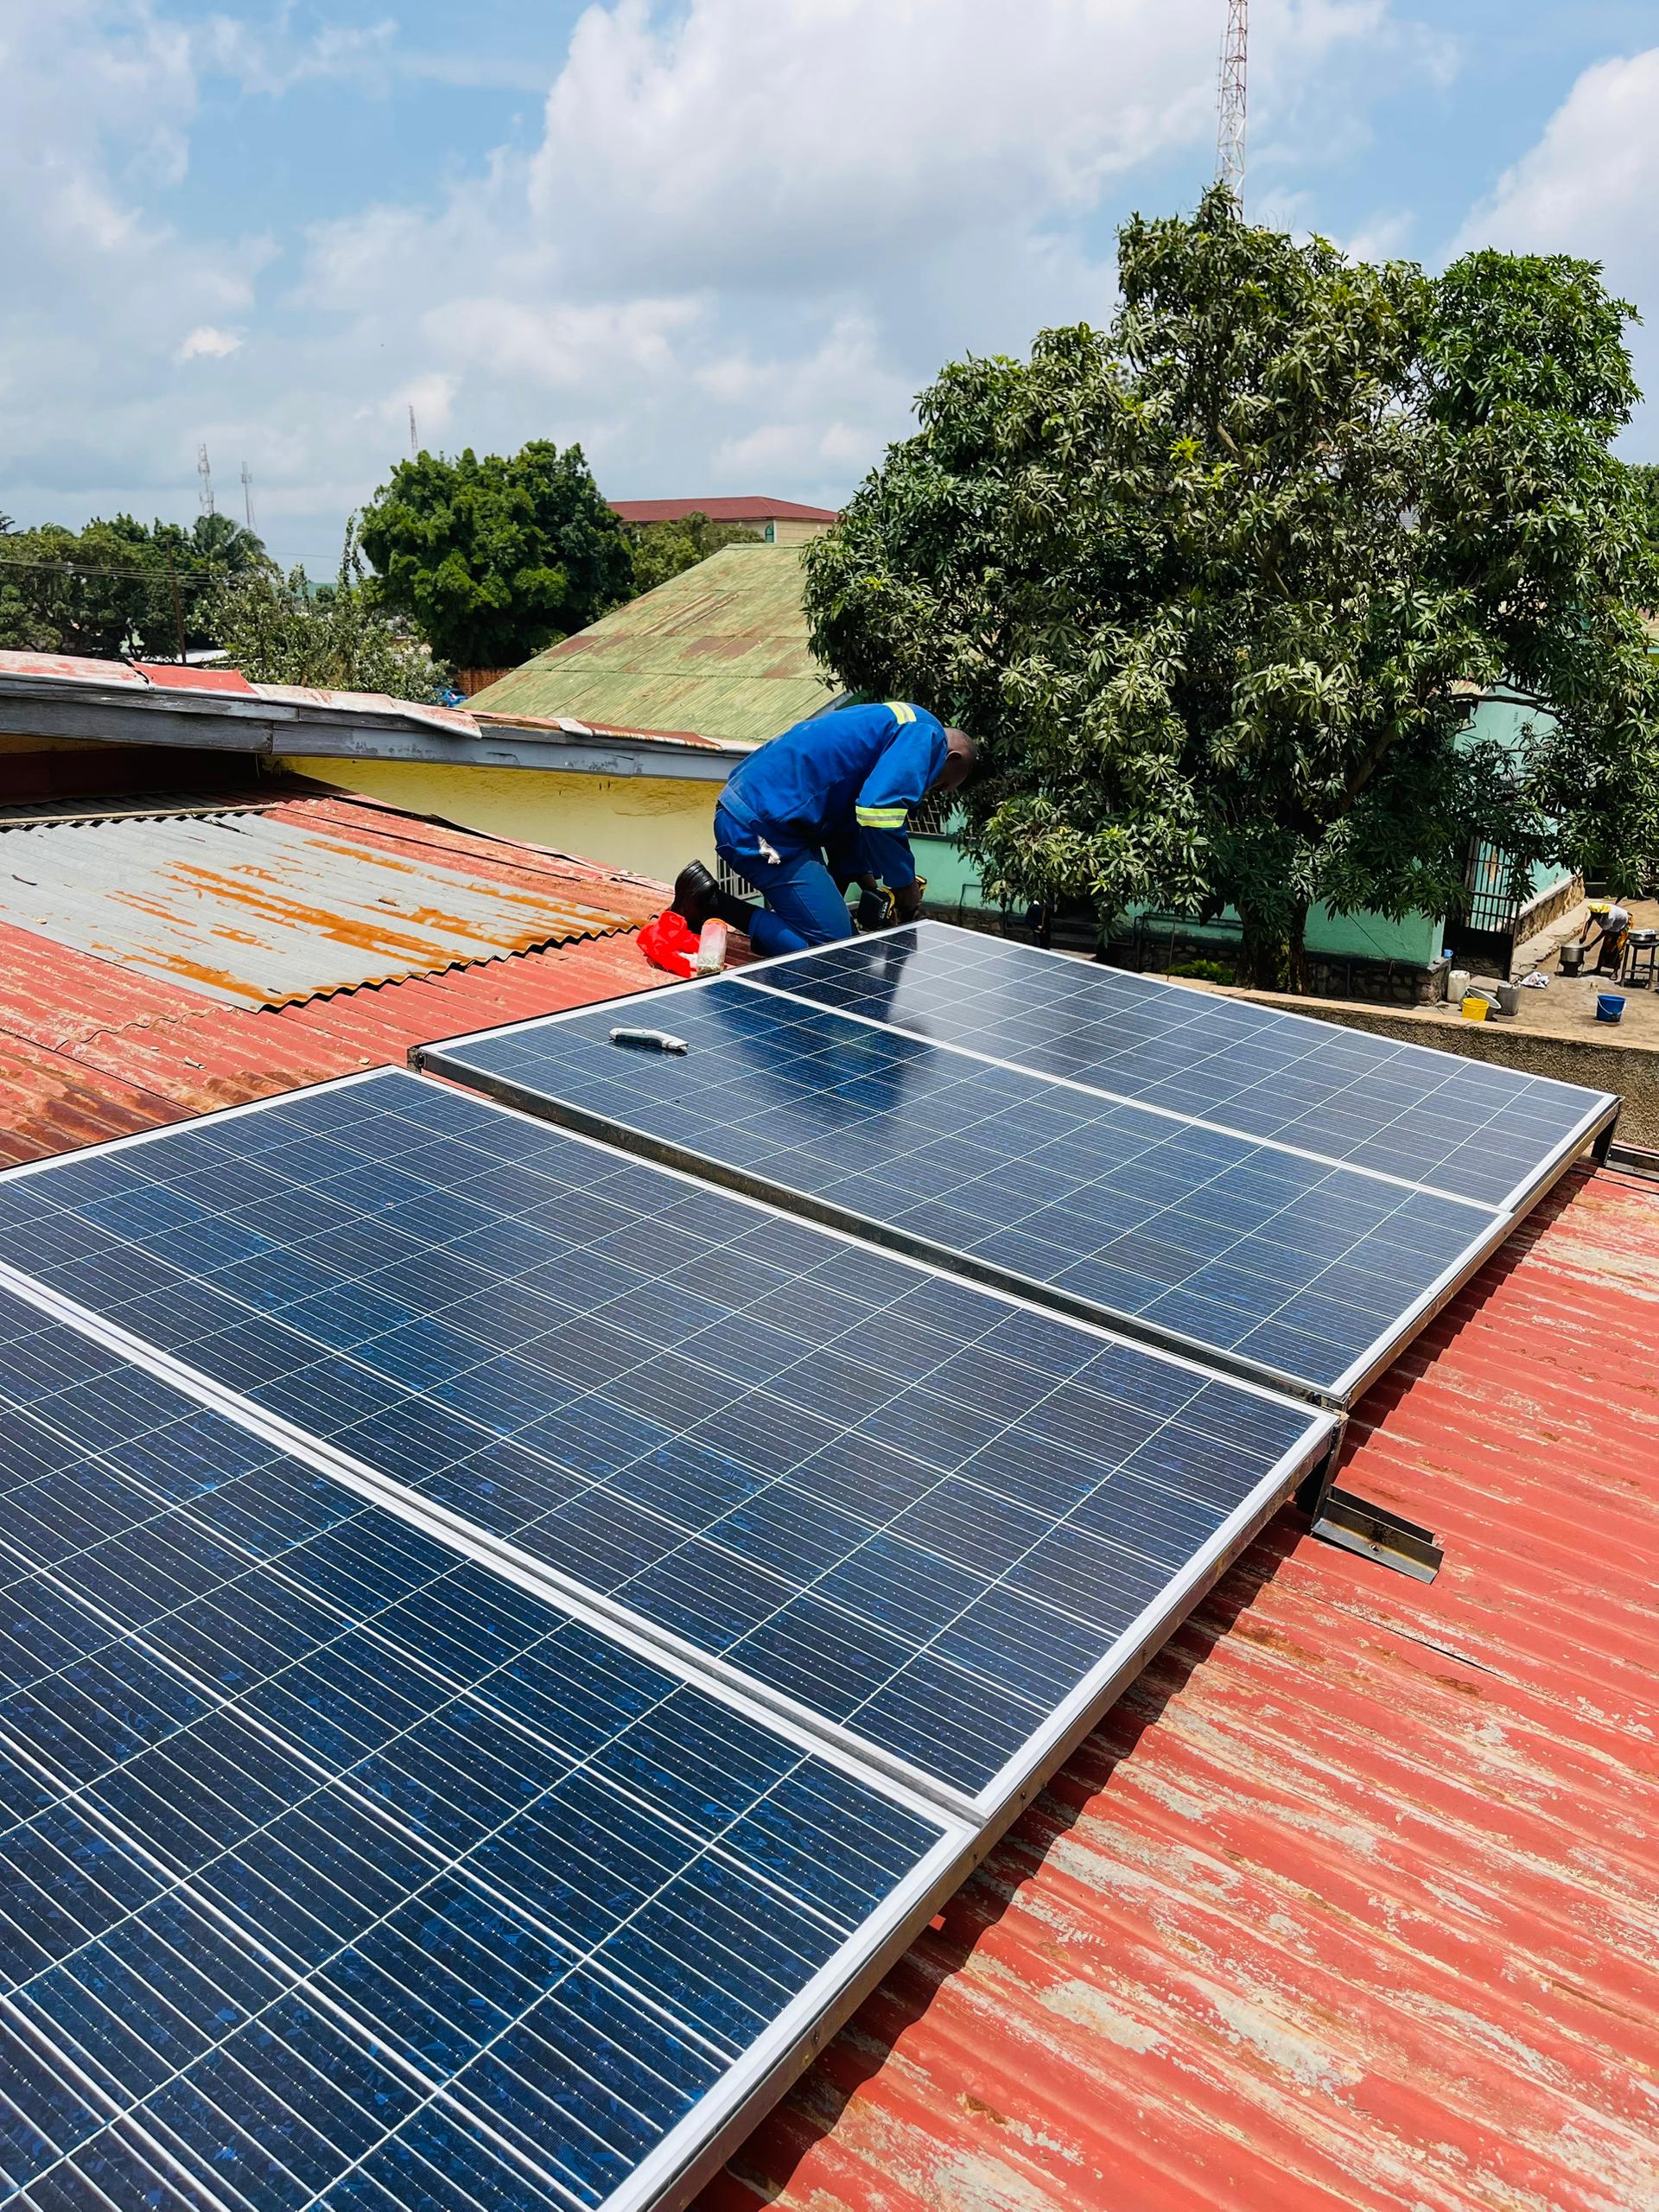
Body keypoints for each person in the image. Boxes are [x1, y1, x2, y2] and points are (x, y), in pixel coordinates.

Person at [670, 700, 976, 959]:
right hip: (759, 830)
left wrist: (866, 880)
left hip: (770, 817)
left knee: (836, 932)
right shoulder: (926, 736)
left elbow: (845, 808)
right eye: (941, 783)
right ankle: (709, 902)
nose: (930, 787)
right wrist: (904, 885)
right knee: (831, 954)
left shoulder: (898, 721)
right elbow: (878, 813)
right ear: (952, 758)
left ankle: (780, 929)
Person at [1579, 897, 1632, 976]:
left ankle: (1615, 971)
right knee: (1605, 947)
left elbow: (1604, 933)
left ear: (1600, 914)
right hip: (1612, 926)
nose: (1592, 915)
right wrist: (1584, 935)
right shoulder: (1598, 910)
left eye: (1593, 914)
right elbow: (1589, 921)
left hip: (1623, 925)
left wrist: (1591, 945)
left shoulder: (1610, 917)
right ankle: (1598, 969)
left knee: (1617, 948)